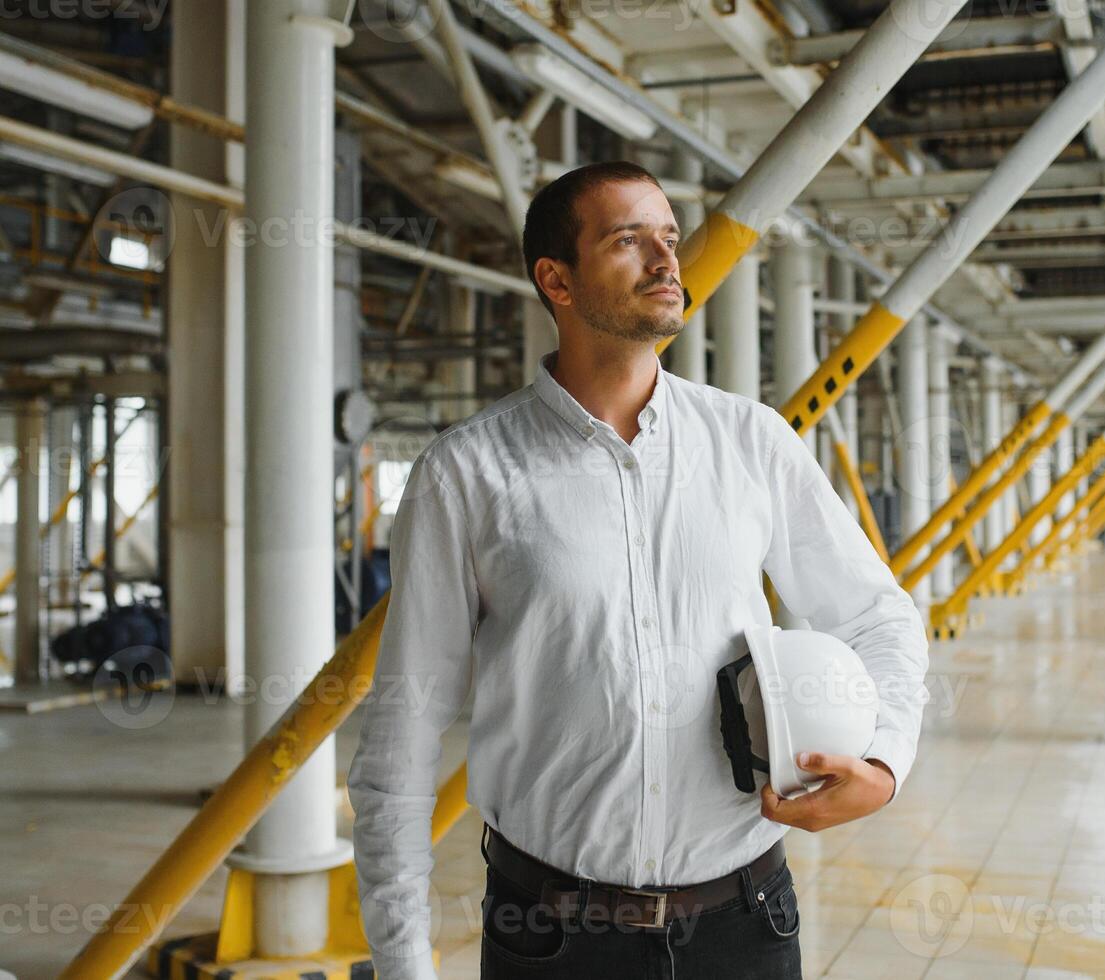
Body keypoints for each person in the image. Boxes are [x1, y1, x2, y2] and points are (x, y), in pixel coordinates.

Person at [348, 160, 929, 979]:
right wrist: (405, 964)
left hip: (746, 927)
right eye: (629, 241)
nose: (666, 262)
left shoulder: (750, 442)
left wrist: (886, 761)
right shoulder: (467, 474)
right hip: (550, 940)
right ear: (557, 279)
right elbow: (403, 732)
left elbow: (879, 617)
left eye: (669, 238)